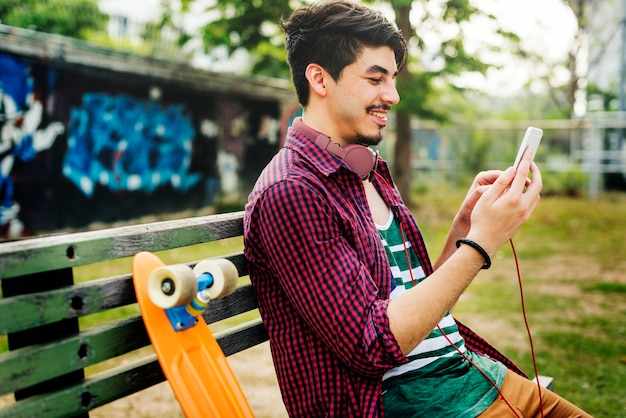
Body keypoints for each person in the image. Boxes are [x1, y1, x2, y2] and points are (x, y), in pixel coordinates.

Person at [243, 1, 592, 416]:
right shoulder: (292, 192)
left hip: (470, 379)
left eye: (392, 79)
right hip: (410, 405)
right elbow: (372, 345)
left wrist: (465, 226)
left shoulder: (364, 170)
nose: (392, 95)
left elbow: (414, 305)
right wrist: (481, 243)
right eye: (376, 79)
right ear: (319, 78)